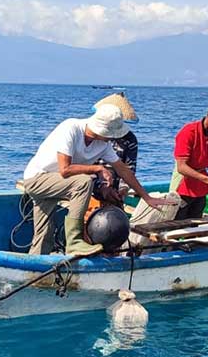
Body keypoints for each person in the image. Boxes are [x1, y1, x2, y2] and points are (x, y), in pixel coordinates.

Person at [22, 104, 169, 256]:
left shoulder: (102, 144)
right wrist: (98, 169)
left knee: (44, 233)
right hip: (37, 179)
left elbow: (123, 170)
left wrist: (146, 197)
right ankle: (74, 241)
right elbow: (65, 170)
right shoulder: (71, 128)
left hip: (58, 184)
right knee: (84, 182)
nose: (113, 138)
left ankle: (35, 269)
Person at [91, 92, 139, 206]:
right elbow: (85, 166)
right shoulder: (94, 135)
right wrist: (101, 187)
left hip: (115, 186)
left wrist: (123, 190)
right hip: (90, 184)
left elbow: (129, 168)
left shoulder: (129, 139)